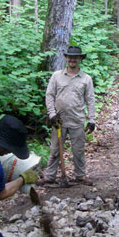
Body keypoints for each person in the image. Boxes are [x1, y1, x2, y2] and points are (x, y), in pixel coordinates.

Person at [39, 46, 95, 186]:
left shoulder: (86, 79)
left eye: (75, 57)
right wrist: (52, 114)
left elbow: (90, 100)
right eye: (70, 57)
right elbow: (49, 95)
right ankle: (50, 176)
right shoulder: (56, 76)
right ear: (66, 58)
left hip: (77, 120)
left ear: (80, 59)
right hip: (59, 120)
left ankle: (80, 176)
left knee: (78, 150)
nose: (72, 60)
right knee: (55, 150)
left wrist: (92, 119)